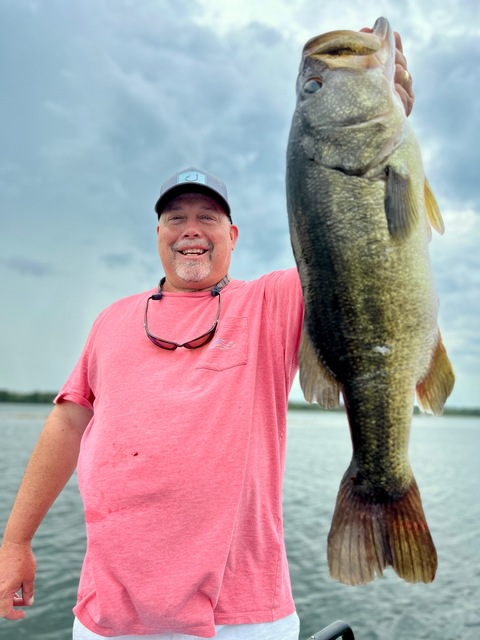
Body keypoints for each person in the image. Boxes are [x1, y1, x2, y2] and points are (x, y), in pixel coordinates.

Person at [0, 34, 414, 640]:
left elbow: (357, 247)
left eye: (207, 217)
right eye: (176, 217)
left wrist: (383, 126)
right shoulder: (113, 319)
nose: (191, 230)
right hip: (107, 617)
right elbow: (67, 422)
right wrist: (15, 539)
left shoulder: (270, 302)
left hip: (243, 618)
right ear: (158, 233)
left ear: (233, 234)